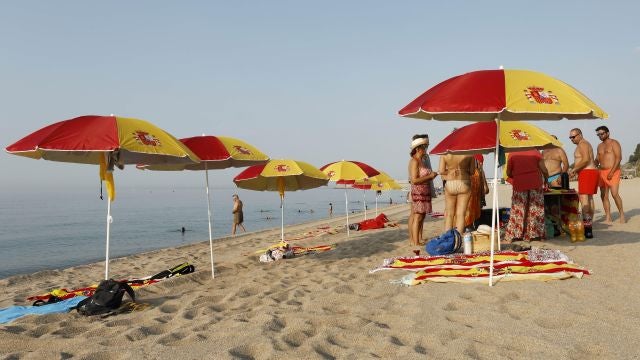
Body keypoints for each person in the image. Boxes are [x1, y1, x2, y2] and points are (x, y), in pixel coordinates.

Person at [503, 150, 549, 242]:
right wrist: (546, 179)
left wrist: (519, 174)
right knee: (535, 209)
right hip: (535, 183)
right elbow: (544, 170)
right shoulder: (536, 153)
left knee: (518, 210)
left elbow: (508, 173)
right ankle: (536, 235)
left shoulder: (512, 154)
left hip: (519, 183)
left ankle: (515, 235)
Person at [408, 137, 438, 246]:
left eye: (425, 147)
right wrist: (430, 176)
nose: (425, 149)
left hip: (425, 190)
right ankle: (415, 241)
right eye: (423, 147)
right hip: (418, 191)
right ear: (417, 149)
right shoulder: (414, 161)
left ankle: (418, 239)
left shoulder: (423, 160)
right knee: (417, 216)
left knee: (422, 216)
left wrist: (431, 176)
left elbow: (423, 176)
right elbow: (414, 180)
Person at [568, 128, 597, 238]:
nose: (571, 139)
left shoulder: (583, 144)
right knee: (589, 199)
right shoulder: (585, 144)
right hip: (590, 172)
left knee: (584, 199)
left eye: (573, 136)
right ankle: (589, 224)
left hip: (587, 172)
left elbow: (585, 160)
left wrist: (574, 170)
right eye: (570, 137)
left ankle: (588, 229)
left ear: (580, 135)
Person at [594, 126, 625, 223]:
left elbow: (618, 158)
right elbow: (597, 160)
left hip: (613, 171)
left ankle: (622, 215)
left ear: (607, 133)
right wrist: (591, 166)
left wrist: (612, 172)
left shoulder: (614, 143)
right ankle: (608, 216)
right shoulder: (599, 146)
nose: (600, 135)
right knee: (603, 195)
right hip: (601, 172)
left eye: (602, 133)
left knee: (614, 194)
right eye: (598, 134)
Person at [439, 153, 474, 235]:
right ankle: (458, 239)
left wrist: (451, 170)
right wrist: (463, 170)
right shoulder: (470, 154)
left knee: (449, 214)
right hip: (464, 181)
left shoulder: (445, 154)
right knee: (461, 214)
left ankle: (448, 238)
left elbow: (441, 171)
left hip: (450, 181)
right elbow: (472, 171)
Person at [465, 154, 489, 228]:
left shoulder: (469, 171)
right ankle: (472, 227)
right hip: (476, 198)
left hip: (472, 197)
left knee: (470, 211)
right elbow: (486, 190)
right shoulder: (478, 172)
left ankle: (470, 227)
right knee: (474, 212)